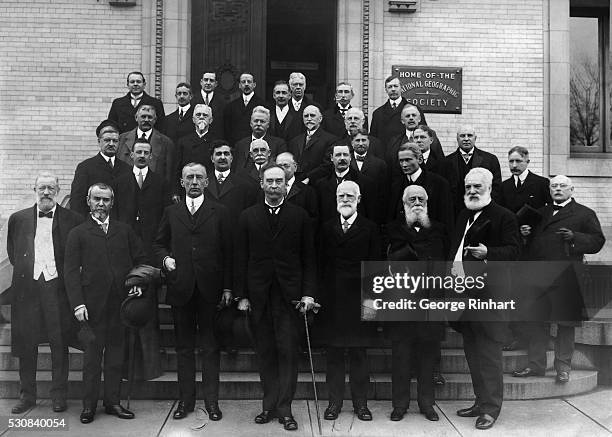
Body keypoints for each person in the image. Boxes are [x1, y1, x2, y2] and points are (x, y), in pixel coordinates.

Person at [235, 164, 317, 432]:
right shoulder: (247, 216)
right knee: (266, 353)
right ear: (261, 184)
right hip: (258, 297)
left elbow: (309, 259)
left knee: (288, 353)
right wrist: (243, 296)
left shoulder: (300, 216)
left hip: (289, 297)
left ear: (286, 185)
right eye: (269, 181)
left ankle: (285, 408)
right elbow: (241, 259)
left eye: (278, 181)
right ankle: (268, 405)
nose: (273, 186)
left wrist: (307, 292)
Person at [153, 163, 233, 421]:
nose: (195, 181)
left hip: (210, 289)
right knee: (184, 348)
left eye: (199, 177)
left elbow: (229, 252)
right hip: (181, 288)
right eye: (190, 177)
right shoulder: (171, 211)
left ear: (207, 182)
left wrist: (228, 287)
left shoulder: (219, 211)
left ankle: (212, 402)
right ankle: (185, 402)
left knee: (210, 348)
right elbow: (158, 243)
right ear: (182, 181)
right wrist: (165, 260)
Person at [64, 183, 148, 424]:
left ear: (113, 203)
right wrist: (78, 305)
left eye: (106, 200)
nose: (101, 204)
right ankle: (88, 406)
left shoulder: (124, 231)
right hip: (91, 309)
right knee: (92, 359)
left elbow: (141, 261)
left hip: (120, 307)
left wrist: (137, 283)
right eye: (97, 199)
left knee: (115, 358)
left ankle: (113, 403)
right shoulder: (78, 233)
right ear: (88, 201)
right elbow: (70, 273)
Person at [512, 175, 604, 383]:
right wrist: (525, 235)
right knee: (537, 322)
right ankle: (536, 365)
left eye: (563, 186)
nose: (558, 189)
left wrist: (575, 238)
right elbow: (531, 245)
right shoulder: (541, 213)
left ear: (572, 190)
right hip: (540, 274)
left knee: (565, 324)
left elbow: (598, 241)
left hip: (567, 273)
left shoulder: (584, 213)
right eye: (554, 186)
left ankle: (563, 368)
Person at [449, 168, 520, 430]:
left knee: (489, 356)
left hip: (489, 300)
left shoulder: (504, 217)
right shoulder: (463, 215)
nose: (472, 191)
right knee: (472, 355)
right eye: (468, 187)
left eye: (477, 186)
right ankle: (480, 402)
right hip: (464, 297)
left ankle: (491, 409)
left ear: (489, 188)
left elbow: (514, 251)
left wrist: (488, 253)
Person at [7, 173, 82, 414]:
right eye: (42, 188)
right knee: (27, 344)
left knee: (59, 343)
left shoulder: (72, 219)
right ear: (34, 189)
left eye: (51, 188)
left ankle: (59, 396)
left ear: (59, 190)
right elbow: (13, 251)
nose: (46, 192)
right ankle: (27, 395)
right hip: (28, 290)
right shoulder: (18, 219)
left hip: (57, 290)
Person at [318, 181, 380, 422]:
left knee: (359, 356)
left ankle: (361, 404)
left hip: (359, 301)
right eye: (341, 195)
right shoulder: (325, 228)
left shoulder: (370, 228)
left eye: (349, 196)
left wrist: (372, 307)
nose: (345, 199)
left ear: (359, 199)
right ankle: (334, 403)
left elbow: (375, 270)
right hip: (333, 302)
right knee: (333, 356)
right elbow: (321, 265)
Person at [386, 185, 448, 422]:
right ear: (403, 204)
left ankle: (427, 404)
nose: (417, 202)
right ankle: (399, 405)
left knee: (427, 358)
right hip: (402, 305)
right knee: (400, 358)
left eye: (421, 198)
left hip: (430, 304)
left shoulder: (439, 229)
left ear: (428, 201)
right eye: (411, 199)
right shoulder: (393, 229)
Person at [112, 139, 172, 380]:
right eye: (138, 151)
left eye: (147, 152)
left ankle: (150, 365)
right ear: (131, 154)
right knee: (128, 308)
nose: (142, 155)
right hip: (126, 253)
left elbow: (166, 218)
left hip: (151, 253)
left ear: (151, 156)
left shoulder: (160, 182)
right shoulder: (119, 182)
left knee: (150, 310)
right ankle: (128, 367)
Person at [498, 146, 551, 352]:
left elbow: (548, 214)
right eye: (511, 161)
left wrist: (533, 227)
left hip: (534, 249)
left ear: (527, 161)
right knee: (513, 293)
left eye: (518, 161)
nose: (514, 166)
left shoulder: (541, 184)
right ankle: (518, 336)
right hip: (514, 248)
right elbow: (502, 215)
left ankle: (535, 340)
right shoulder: (504, 187)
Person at [387, 143, 454, 233]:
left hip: (431, 241)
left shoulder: (439, 184)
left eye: (408, 160)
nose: (404, 165)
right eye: (401, 161)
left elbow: (446, 220)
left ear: (420, 159)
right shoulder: (396, 186)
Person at [70, 120, 131, 217]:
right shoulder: (85, 167)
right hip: (93, 225)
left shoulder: (127, 169)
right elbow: (77, 202)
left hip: (120, 227)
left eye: (115, 141)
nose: (111, 144)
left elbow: (129, 202)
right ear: (99, 141)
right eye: (107, 140)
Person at [314, 144, 380, 225]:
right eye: (338, 155)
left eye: (345, 155)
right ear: (331, 158)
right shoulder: (321, 185)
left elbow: (371, 215)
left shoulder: (365, 183)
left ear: (350, 157)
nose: (342, 158)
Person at [446, 125, 502, 215]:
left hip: (483, 211)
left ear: (475, 138)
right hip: (455, 213)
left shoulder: (490, 160)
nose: (466, 139)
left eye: (469, 135)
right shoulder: (446, 161)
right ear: (457, 138)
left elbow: (496, 188)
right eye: (462, 136)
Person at [385, 105, 445, 184]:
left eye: (414, 115)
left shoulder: (431, 137)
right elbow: (390, 168)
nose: (411, 118)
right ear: (402, 120)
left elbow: (440, 162)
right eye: (407, 116)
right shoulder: (394, 142)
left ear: (419, 119)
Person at [116, 105, 175, 184]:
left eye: (150, 117)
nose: (146, 120)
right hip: (126, 187)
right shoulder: (121, 139)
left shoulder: (166, 143)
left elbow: (169, 174)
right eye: (143, 117)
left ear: (155, 120)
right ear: (136, 118)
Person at [205, 140, 259, 226]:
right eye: (218, 154)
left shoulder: (245, 185)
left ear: (231, 158)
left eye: (226, 154)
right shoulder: (203, 183)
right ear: (212, 158)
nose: (222, 157)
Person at [174, 103, 219, 196]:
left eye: (205, 115)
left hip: (210, 189)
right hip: (187, 188)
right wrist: (176, 192)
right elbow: (177, 169)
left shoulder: (217, 142)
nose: (201, 117)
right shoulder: (183, 142)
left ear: (210, 120)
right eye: (198, 115)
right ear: (193, 120)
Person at [287, 105, 338, 183]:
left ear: (320, 119)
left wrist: (308, 178)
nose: (309, 119)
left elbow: (327, 165)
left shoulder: (330, 140)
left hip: (318, 184)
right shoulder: (295, 141)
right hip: (297, 184)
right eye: (306, 116)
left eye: (312, 115)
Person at [233, 106, 287, 170]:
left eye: (262, 121)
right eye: (256, 121)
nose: (258, 124)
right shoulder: (240, 145)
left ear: (268, 125)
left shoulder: (279, 144)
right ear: (251, 123)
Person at [276, 152, 319, 225]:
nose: (282, 169)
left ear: (295, 167)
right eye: (279, 166)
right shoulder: (268, 189)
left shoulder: (308, 192)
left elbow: (313, 219)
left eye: (286, 165)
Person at [224, 73, 265, 145]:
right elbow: (227, 129)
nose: (246, 84)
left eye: (249, 82)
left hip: (256, 145)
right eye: (243, 82)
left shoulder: (262, 105)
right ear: (239, 85)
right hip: (235, 145)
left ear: (254, 85)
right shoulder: (231, 106)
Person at [369, 75, 409, 146]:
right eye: (390, 87)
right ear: (386, 90)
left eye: (396, 86)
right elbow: (373, 139)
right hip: (384, 155)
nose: (393, 89)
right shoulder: (378, 113)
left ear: (401, 88)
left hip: (406, 153)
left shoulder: (413, 110)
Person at [192, 71, 226, 139]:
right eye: (206, 80)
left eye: (211, 80)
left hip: (215, 139)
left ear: (216, 84)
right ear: (201, 82)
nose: (208, 83)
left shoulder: (222, 101)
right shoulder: (192, 100)